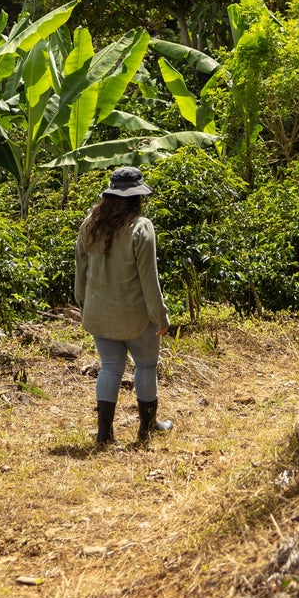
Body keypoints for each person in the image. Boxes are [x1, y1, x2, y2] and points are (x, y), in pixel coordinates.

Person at [75, 165, 174, 447]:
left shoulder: (91, 222)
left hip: (99, 314)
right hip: (135, 317)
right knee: (145, 366)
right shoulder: (141, 227)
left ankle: (104, 434)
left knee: (110, 368)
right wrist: (160, 316)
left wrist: (84, 304)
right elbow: (149, 280)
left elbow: (80, 270)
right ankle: (146, 429)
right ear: (137, 196)